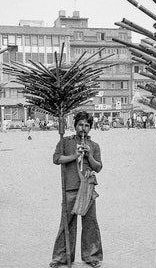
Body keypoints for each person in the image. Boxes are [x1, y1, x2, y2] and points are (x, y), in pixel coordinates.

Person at [49, 111, 103, 268]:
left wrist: (89, 156)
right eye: (80, 125)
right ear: (75, 126)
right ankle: (61, 257)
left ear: (90, 128)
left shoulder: (94, 146)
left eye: (87, 125)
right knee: (66, 223)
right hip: (70, 187)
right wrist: (74, 156)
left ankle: (91, 257)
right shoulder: (65, 142)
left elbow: (98, 167)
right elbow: (56, 159)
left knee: (90, 223)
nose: (83, 128)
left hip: (88, 188)